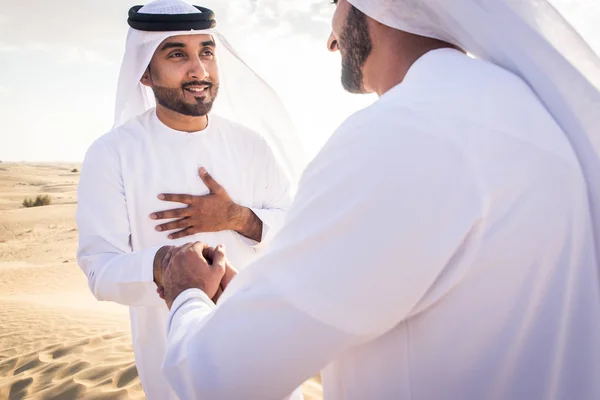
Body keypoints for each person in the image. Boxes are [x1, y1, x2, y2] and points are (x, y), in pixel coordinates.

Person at [158, 0, 600, 399]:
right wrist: (261, 300)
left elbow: (221, 378)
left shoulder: (401, 131)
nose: (332, 40)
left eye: (335, 4)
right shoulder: (527, 113)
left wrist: (188, 297)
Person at [75, 1, 305, 399]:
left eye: (207, 52)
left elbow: (295, 227)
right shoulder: (112, 153)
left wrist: (238, 217)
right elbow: (99, 270)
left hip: (265, 352)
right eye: (178, 54)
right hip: (176, 367)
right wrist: (166, 265)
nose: (199, 70)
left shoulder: (250, 145)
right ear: (145, 71)